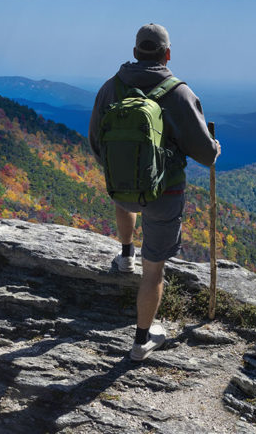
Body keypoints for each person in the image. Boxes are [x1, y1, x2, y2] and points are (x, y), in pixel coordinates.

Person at [88, 23, 220, 361]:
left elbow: (95, 141)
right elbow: (205, 154)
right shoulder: (179, 94)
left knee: (126, 199)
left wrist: (121, 167)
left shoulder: (110, 88)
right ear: (167, 54)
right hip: (166, 193)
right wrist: (215, 148)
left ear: (135, 52)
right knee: (154, 271)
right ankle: (141, 341)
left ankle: (125, 254)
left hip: (121, 189)